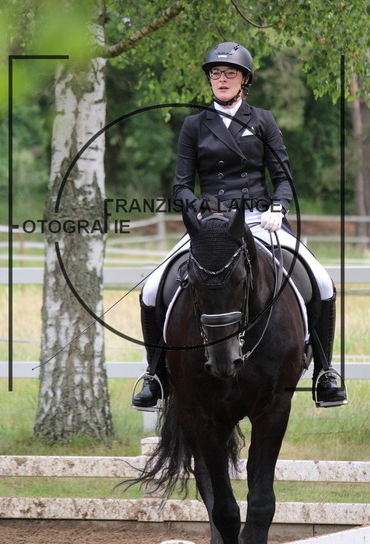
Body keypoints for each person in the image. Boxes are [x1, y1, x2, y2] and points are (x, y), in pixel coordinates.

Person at [132, 41, 347, 410]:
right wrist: (200, 216)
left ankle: (324, 372)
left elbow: (283, 178)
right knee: (152, 289)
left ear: (244, 79)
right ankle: (155, 376)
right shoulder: (194, 124)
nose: (221, 79)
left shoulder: (262, 120)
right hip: (209, 224)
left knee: (322, 282)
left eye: (229, 73)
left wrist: (278, 207)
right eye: (215, 73)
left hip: (258, 219)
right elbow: (181, 186)